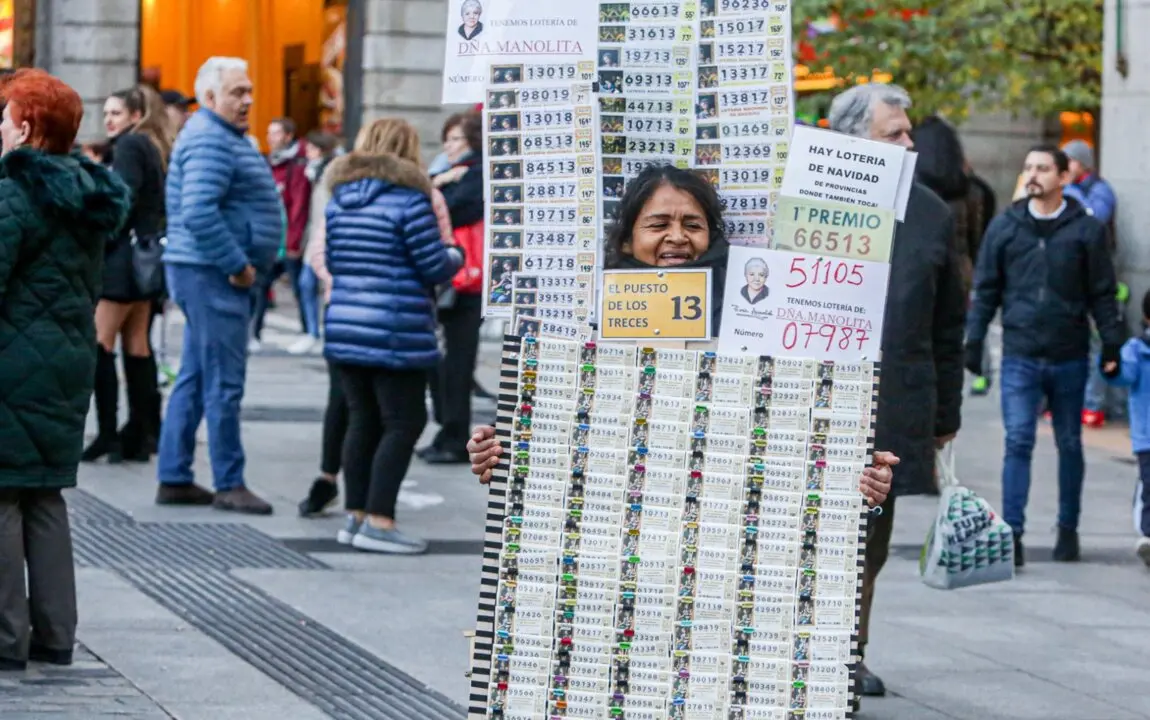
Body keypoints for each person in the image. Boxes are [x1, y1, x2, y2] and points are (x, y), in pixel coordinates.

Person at [463, 166, 898, 538]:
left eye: (693, 225)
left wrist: (857, 481)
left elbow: (801, 452)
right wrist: (503, 454)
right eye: (658, 225)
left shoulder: (761, 327)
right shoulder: (581, 329)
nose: (677, 237)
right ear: (628, 240)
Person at [827, 83, 966, 701]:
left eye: (908, 133)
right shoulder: (804, 198)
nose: (910, 143)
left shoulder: (933, 212)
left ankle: (847, 654)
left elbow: (947, 325)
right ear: (849, 141)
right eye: (894, 134)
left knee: (868, 540)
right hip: (809, 398)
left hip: (889, 402)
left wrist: (945, 412)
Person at [0, 68, 130, 670]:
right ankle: (55, 635)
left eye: (4, 117)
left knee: (3, 494)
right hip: (68, 359)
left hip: (11, 362)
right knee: (45, 493)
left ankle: (6, 638)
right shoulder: (87, 193)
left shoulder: (13, 191)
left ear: (25, 127)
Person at [965, 144, 1123, 565]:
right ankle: (1013, 533)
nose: (1033, 175)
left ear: (1063, 177)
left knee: (1070, 443)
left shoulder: (1085, 230)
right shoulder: (1007, 227)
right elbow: (986, 291)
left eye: (1043, 168)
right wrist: (974, 340)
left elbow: (1102, 294)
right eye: (1028, 167)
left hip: (1070, 354)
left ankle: (1067, 528)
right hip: (1020, 352)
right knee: (1017, 440)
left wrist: (1111, 342)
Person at [323, 118, 463, 553]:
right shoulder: (410, 201)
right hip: (395, 327)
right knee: (404, 422)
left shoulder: (340, 198)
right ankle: (380, 521)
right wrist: (456, 254)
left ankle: (356, 515)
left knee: (362, 419)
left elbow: (333, 259)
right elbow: (433, 265)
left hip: (345, 325)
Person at [156, 57, 283, 515]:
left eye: (249, 90)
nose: (248, 99)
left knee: (195, 374)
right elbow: (200, 211)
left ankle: (174, 475)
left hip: (202, 271)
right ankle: (229, 482)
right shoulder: (211, 139)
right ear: (210, 98)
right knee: (224, 382)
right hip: (212, 274)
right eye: (237, 92)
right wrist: (238, 265)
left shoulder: (219, 136)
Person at [79, 87, 169, 466]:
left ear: (136, 115)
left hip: (122, 264)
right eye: (107, 113)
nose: (109, 120)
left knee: (101, 344)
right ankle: (141, 433)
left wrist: (102, 235)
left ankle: (109, 434)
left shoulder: (129, 147)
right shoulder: (149, 145)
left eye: (117, 113)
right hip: (142, 262)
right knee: (138, 347)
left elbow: (124, 199)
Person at [422, 111, 486, 464]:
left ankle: (454, 436)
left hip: (468, 281)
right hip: (452, 280)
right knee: (444, 361)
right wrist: (442, 178)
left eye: (456, 139)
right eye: (446, 139)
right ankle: (447, 431)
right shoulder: (449, 172)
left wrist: (440, 184)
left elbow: (450, 211)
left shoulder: (476, 173)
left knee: (458, 362)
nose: (449, 146)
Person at [1061, 140, 1124, 427]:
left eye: (1069, 162)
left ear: (1082, 163)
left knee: (1099, 343)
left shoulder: (1100, 190)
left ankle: (1093, 405)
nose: (1064, 168)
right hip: (1071, 279)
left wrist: (1067, 192)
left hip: (1098, 279)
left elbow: (1096, 218)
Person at [1103, 288, 1150, 566]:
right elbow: (1124, 375)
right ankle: (1147, 535)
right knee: (1149, 486)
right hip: (1147, 435)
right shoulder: (1137, 350)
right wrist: (1111, 369)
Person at [266, 117, 316, 353]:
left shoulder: (297, 164)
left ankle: (310, 331)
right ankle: (253, 334)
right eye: (270, 133)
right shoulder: (271, 163)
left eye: (276, 134)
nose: (271, 138)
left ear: (288, 136)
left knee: (301, 286)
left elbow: (298, 205)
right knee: (261, 285)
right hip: (274, 237)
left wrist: (294, 240)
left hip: (290, 239)